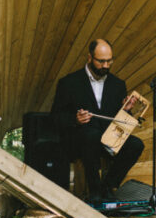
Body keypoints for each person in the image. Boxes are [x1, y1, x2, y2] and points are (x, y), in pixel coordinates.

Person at [50, 39, 144, 203]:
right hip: (80, 141)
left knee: (136, 145)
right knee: (91, 135)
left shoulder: (118, 84)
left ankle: (107, 186)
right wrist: (75, 119)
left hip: (109, 139)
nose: (106, 65)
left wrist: (126, 110)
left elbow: (118, 122)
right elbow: (55, 118)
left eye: (109, 61)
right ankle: (95, 191)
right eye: (101, 61)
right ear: (89, 58)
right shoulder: (69, 83)